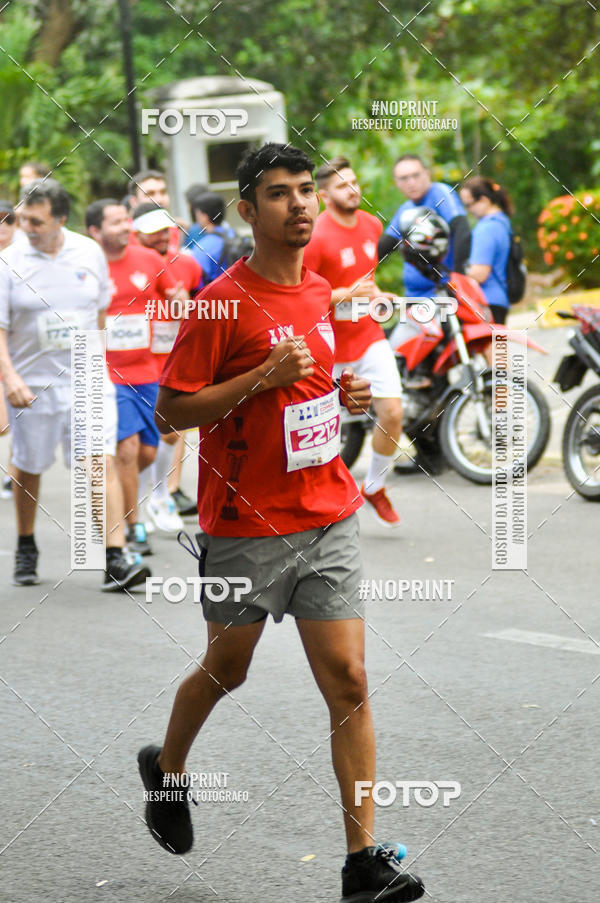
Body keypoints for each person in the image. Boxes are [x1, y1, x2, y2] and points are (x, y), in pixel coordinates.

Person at [137, 143, 425, 903]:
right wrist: (263, 376)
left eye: (305, 190)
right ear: (247, 209)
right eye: (278, 193)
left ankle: (362, 864)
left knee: (350, 680)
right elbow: (171, 412)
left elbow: (312, 387)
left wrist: (343, 396)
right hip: (245, 522)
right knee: (227, 668)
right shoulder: (220, 302)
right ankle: (167, 768)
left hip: (327, 510)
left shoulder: (323, 290)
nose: (299, 203)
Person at [0, 180, 149, 590]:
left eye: (36, 221)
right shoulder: (8, 262)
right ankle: (26, 542)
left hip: (86, 379)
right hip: (32, 385)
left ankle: (115, 557)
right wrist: (10, 378)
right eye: (23, 219)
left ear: (61, 219)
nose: (26, 228)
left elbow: (98, 313)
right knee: (30, 466)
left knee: (98, 461)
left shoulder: (88, 252)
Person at [303, 156, 404, 527]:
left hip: (368, 335)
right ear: (324, 195)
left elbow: (366, 280)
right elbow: (302, 293)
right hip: (329, 347)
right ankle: (317, 504)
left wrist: (377, 295)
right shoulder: (315, 236)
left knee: (392, 413)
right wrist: (344, 294)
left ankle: (374, 486)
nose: (353, 190)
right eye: (343, 186)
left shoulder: (372, 225)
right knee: (321, 434)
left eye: (355, 182)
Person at [86, 198, 180, 556]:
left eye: (127, 220)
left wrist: (180, 303)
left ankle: (125, 500)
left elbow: (175, 298)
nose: (126, 227)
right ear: (95, 231)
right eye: (116, 222)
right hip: (109, 375)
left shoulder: (149, 260)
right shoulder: (87, 266)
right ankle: (132, 525)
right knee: (126, 449)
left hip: (150, 372)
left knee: (148, 450)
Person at [131, 202, 203, 531]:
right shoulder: (128, 262)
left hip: (173, 359)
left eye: (165, 229)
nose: (161, 236)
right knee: (139, 444)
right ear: (135, 233)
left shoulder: (187, 264)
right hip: (133, 365)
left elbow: (201, 306)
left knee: (171, 433)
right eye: (152, 231)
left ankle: (159, 497)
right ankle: (137, 505)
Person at [378, 154, 471, 295]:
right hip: (414, 294)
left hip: (443, 291)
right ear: (396, 182)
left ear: (427, 174)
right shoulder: (406, 209)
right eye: (404, 178)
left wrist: (459, 278)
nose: (411, 182)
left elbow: (462, 231)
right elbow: (385, 246)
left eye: (416, 175)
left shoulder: (440, 193)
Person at [459, 177, 512, 324]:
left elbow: (480, 274)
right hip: (500, 299)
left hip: (487, 301)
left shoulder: (486, 228)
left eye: (469, 205)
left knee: (490, 341)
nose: (468, 211)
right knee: (499, 339)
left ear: (484, 200)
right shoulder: (502, 221)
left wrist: (457, 279)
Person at [128, 169, 182, 255]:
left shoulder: (173, 228)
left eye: (163, 192)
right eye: (150, 194)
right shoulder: (124, 235)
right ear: (134, 202)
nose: (159, 199)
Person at [185, 191, 234, 285]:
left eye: (197, 214)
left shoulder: (202, 247)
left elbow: (197, 282)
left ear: (204, 216)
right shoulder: (234, 235)